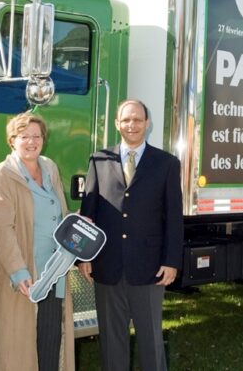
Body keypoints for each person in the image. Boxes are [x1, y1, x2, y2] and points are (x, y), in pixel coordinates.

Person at [79, 99, 183, 371]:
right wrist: (84, 256)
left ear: (147, 123)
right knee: (112, 345)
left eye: (137, 119)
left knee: (151, 341)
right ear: (117, 124)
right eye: (126, 120)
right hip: (107, 265)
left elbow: (173, 217)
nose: (132, 124)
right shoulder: (99, 160)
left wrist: (171, 260)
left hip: (149, 267)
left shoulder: (167, 163)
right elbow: (88, 214)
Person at [0, 113, 75, 371]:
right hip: (24, 279)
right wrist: (18, 272)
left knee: (50, 345)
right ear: (12, 140)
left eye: (37, 136)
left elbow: (62, 213)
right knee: (17, 352)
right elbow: (1, 228)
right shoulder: (2, 174)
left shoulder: (49, 167)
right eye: (24, 137)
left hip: (54, 275)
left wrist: (76, 229)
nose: (32, 142)